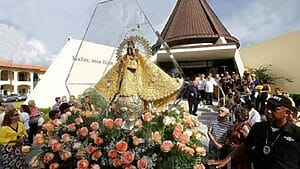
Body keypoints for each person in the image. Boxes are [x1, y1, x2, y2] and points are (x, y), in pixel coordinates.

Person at [208, 95, 300, 169]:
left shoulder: (296, 134)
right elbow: (245, 146)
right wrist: (225, 160)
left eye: (274, 109)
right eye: (267, 106)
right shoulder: (258, 127)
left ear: (287, 113)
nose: (268, 111)